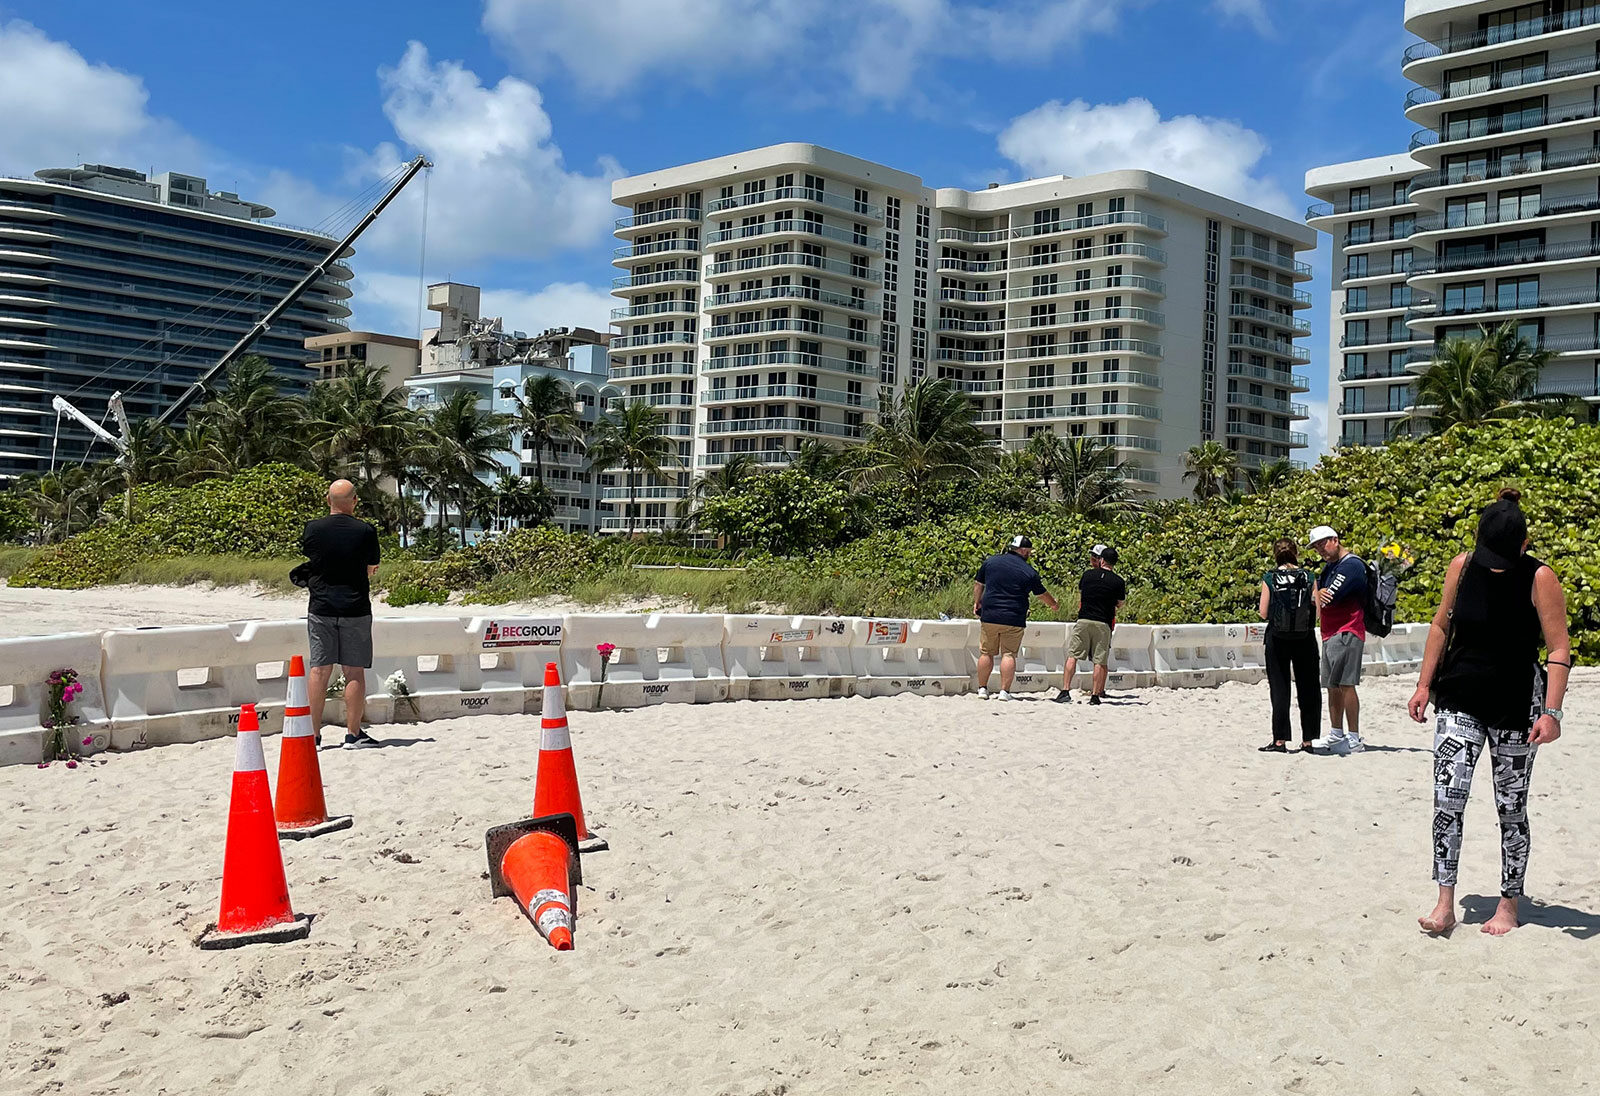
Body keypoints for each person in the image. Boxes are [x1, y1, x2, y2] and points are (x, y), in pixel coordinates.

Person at [1408, 488, 1571, 936]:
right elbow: (1442, 624)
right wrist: (1424, 684)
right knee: (1448, 797)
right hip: (1459, 695)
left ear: (1523, 545)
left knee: (1510, 807)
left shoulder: (1541, 578)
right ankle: (1444, 903)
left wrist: (1552, 712)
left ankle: (1508, 904)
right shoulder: (1462, 567)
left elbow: (1558, 647)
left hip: (1518, 706)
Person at [301, 479, 382, 748]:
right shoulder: (365, 531)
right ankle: (353, 734)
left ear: (328, 501)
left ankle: (313, 736)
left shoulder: (313, 528)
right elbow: (372, 567)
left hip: (321, 606)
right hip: (355, 607)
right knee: (354, 672)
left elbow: (312, 558)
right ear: (355, 501)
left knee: (318, 670)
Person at [973, 535, 1060, 701]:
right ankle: (1004, 692)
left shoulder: (991, 562)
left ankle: (982, 689)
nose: (1030, 554)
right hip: (1014, 618)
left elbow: (978, 584)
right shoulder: (1029, 572)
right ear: (1023, 550)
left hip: (990, 614)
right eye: (1029, 551)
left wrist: (977, 603)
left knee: (986, 653)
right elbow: (1041, 594)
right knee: (1008, 655)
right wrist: (1054, 605)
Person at [1258, 537, 1321, 753]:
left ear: (1275, 554)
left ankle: (1280, 741)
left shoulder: (1270, 577)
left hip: (1277, 639)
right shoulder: (1309, 576)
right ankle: (1309, 740)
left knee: (1280, 688)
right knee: (1309, 688)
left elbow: (1263, 612)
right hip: (1305, 639)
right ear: (1296, 553)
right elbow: (1318, 612)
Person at [1309, 525, 1366, 754]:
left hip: (1348, 630)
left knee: (1346, 684)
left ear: (1335, 539)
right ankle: (1336, 733)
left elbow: (1328, 597)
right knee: (1332, 686)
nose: (1320, 550)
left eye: (1322, 544)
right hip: (1330, 631)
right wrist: (1316, 595)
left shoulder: (1351, 565)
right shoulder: (1329, 567)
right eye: (1316, 547)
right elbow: (1317, 596)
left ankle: (1354, 737)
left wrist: (1316, 596)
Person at [1054, 544, 1126, 705]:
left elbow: (1083, 592)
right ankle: (1095, 695)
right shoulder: (1118, 581)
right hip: (1103, 622)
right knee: (1099, 661)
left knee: (1073, 656)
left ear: (1101, 560)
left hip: (1084, 619)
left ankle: (1065, 690)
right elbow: (1120, 604)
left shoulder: (1087, 575)